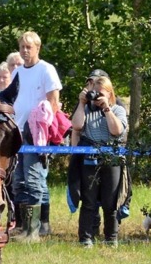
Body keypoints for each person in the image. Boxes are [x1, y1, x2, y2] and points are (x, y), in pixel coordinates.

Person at [11, 31, 62, 241]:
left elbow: (53, 102)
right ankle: (24, 227)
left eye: (28, 47)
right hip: (17, 129)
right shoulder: (17, 72)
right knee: (18, 179)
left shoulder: (46, 70)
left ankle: (38, 228)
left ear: (37, 48)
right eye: (22, 47)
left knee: (34, 178)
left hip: (37, 132)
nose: (25, 51)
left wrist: (41, 130)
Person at [71, 75, 128, 247]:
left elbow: (117, 131)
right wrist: (81, 103)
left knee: (110, 203)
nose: (96, 97)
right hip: (89, 160)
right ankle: (85, 239)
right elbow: (77, 126)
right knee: (88, 202)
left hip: (112, 161)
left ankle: (111, 239)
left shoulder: (118, 109)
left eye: (101, 93)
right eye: (94, 93)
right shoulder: (86, 109)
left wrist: (107, 109)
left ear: (110, 94)